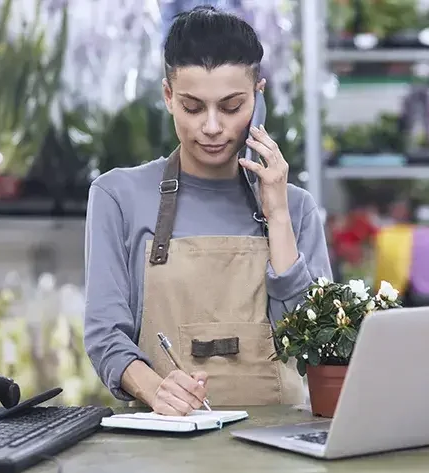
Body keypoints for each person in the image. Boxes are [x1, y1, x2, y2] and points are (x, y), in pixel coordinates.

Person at [83, 6, 333, 416]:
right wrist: (154, 388)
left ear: (259, 96)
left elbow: (314, 345)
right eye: (193, 107)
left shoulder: (297, 208)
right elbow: (106, 335)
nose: (212, 127)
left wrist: (279, 217)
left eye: (232, 107)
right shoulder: (116, 196)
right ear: (168, 96)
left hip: (279, 448)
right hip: (163, 447)